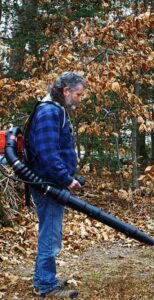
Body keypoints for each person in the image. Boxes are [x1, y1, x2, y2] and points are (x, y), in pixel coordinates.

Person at [26, 72, 86, 298]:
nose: (80, 99)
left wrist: (70, 175)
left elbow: (55, 151)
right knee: (50, 235)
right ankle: (45, 284)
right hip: (47, 184)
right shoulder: (50, 111)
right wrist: (65, 179)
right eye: (78, 94)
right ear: (66, 91)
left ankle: (45, 277)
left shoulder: (54, 110)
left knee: (50, 233)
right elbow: (48, 154)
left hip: (50, 182)